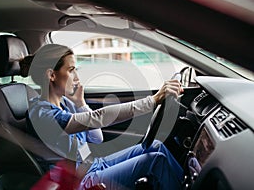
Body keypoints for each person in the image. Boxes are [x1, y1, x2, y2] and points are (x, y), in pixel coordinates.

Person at [23, 44, 184, 190]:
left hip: (93, 164)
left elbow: (96, 137)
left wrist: (80, 103)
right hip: (78, 181)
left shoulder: (65, 103)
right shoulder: (42, 114)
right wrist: (152, 101)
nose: (77, 77)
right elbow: (98, 117)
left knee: (155, 146)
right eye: (71, 70)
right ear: (51, 75)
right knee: (155, 162)